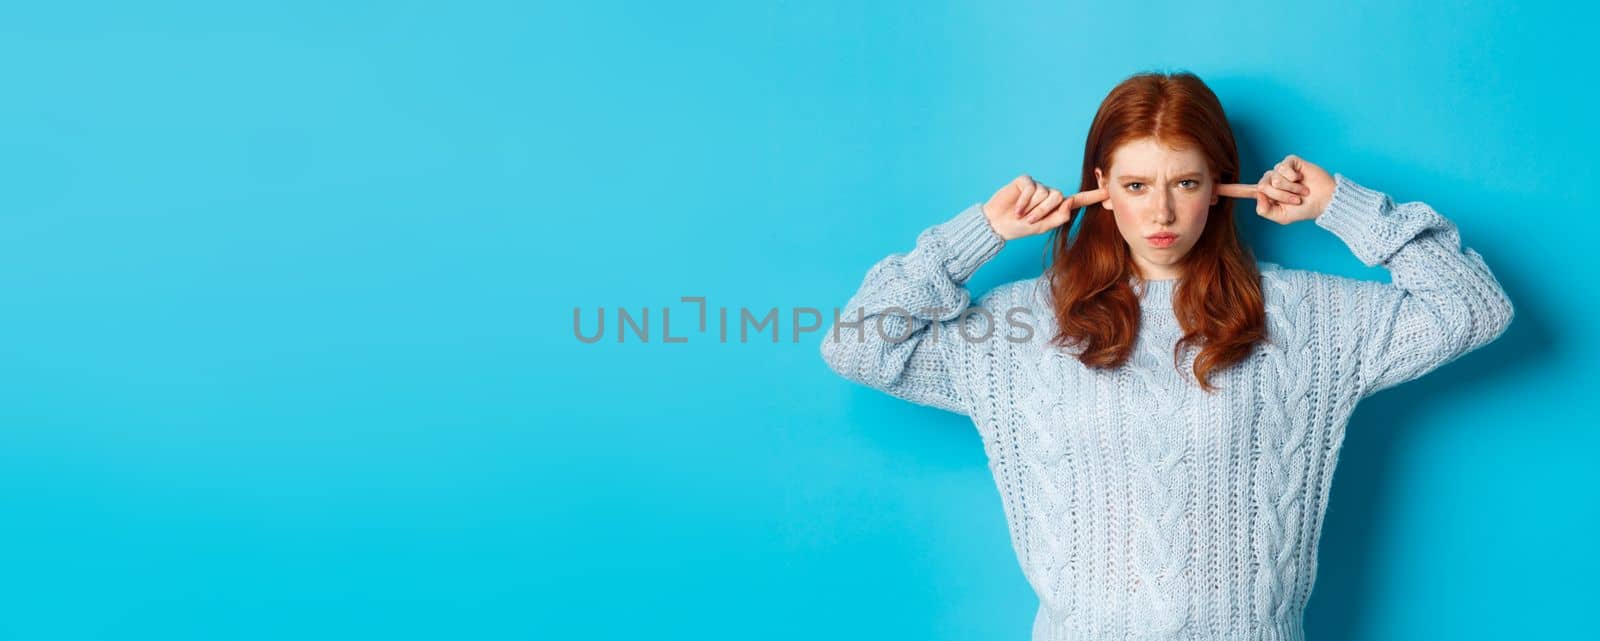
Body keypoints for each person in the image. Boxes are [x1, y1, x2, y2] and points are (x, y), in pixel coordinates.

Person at [817, 71, 1514, 641]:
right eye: (1136, 185)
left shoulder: (1309, 318)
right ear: (1101, 189)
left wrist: (1341, 206)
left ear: (1220, 186)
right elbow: (858, 346)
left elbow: (1473, 307)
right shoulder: (1024, 324)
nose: (1161, 214)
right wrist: (980, 232)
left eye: (1185, 183)